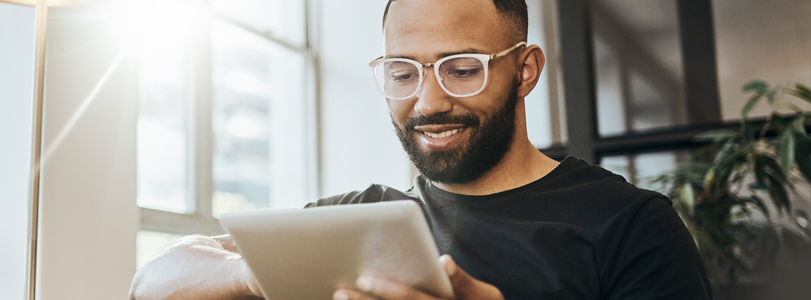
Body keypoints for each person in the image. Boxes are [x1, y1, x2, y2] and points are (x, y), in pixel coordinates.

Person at [129, 0, 714, 299]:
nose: (428, 101)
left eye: (462, 69)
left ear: (527, 70)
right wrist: (257, 272)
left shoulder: (632, 226)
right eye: (402, 73)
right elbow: (149, 287)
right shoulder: (351, 220)